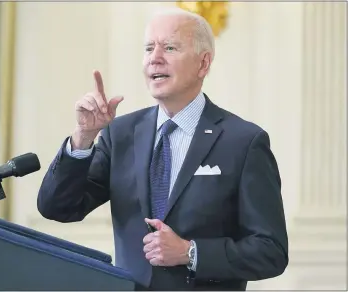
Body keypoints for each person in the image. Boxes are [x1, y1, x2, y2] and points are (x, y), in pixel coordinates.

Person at [37, 7, 288, 291]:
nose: (155, 58)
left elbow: (271, 251)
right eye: (148, 48)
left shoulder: (243, 141)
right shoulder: (119, 134)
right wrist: (83, 137)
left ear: (203, 64)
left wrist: (190, 252)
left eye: (169, 47)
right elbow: (57, 207)